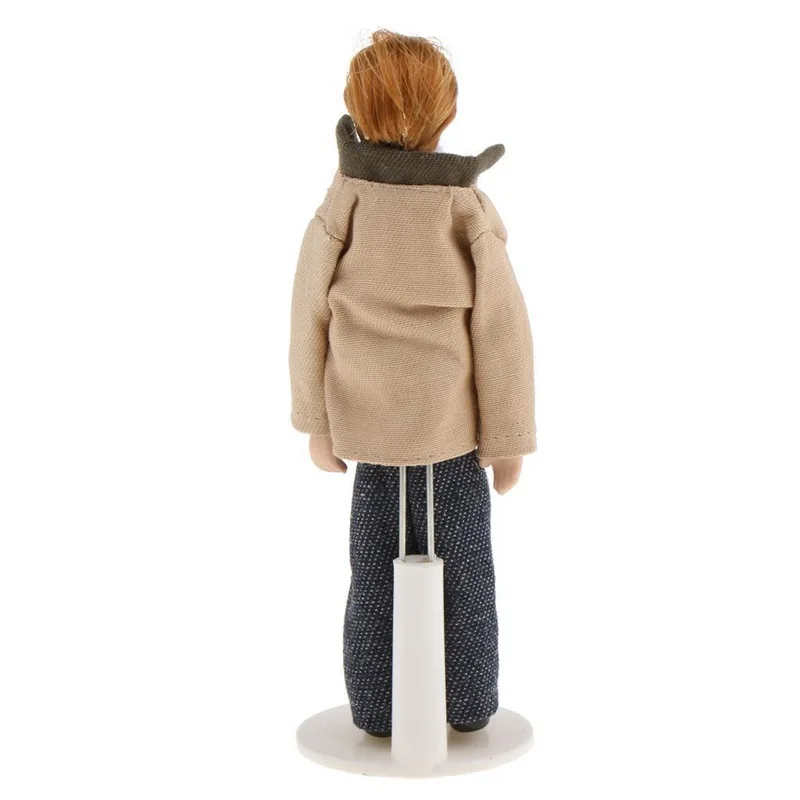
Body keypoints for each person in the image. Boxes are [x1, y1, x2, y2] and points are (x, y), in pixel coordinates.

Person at [289, 29, 536, 737]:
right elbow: (502, 329)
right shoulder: (461, 207)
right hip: (442, 440)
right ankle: (463, 703)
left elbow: (308, 313)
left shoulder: (347, 204)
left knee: (375, 577)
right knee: (461, 578)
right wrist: (507, 437)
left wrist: (317, 423)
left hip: (384, 436)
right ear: (446, 114)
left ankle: (381, 707)